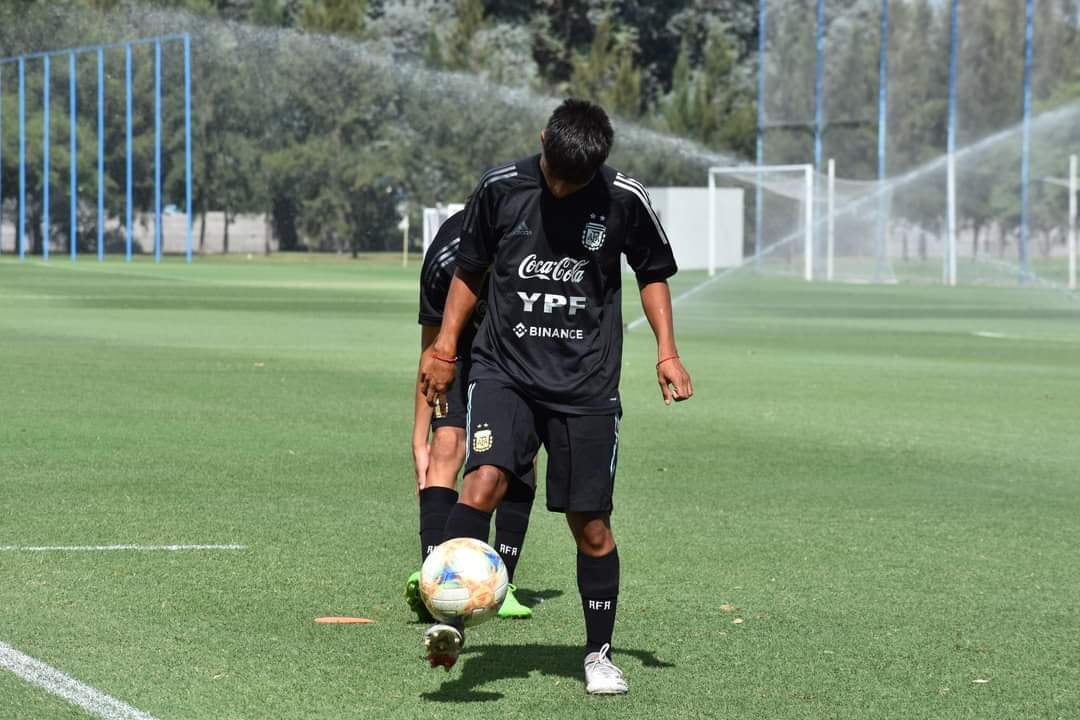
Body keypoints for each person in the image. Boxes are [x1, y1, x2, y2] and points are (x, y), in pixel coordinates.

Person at [418, 98, 693, 694]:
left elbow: (652, 272)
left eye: (578, 180)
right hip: (504, 370)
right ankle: (453, 616)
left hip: (586, 385)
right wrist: (443, 352)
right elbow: (469, 269)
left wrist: (666, 352)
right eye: (555, 174)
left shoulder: (624, 197)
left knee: (589, 523)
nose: (564, 189)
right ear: (542, 140)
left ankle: (598, 655)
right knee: (482, 480)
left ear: (599, 164)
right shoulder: (500, 188)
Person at [406, 209, 534, 623]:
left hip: (514, 352)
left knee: (520, 453)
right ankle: (434, 578)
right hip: (456, 348)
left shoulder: (527, 250)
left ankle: (504, 580)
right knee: (447, 445)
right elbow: (430, 347)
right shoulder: (445, 259)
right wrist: (417, 437)